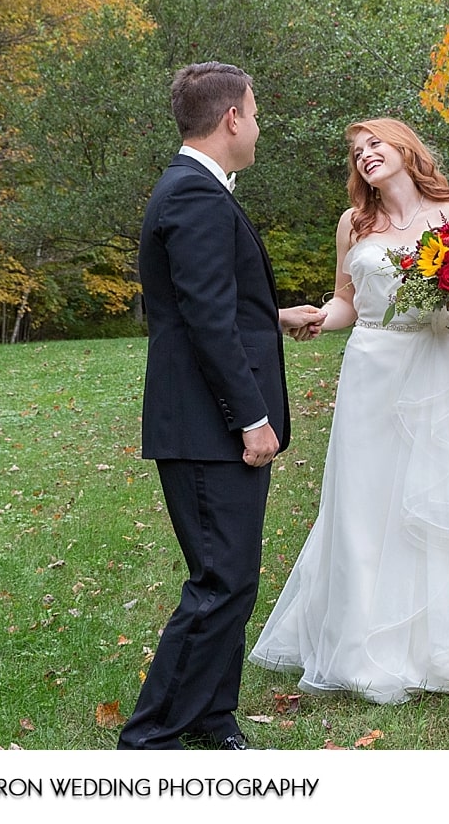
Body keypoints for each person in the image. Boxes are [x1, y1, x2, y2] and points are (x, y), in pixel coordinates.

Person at [248, 118, 449, 704]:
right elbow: (348, 302)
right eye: (357, 151)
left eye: (374, 143)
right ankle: (360, 647)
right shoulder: (354, 225)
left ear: (405, 148)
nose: (365, 155)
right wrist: (317, 318)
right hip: (373, 370)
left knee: (436, 499)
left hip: (439, 371)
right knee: (365, 502)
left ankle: (446, 644)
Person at [118, 62, 325, 750]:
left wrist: (271, 315)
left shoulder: (197, 190)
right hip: (211, 427)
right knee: (221, 582)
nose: (259, 127)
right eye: (257, 113)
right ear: (232, 117)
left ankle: (210, 714)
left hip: (207, 424)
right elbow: (204, 321)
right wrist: (253, 416)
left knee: (231, 578)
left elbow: (213, 305)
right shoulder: (195, 197)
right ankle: (150, 738)